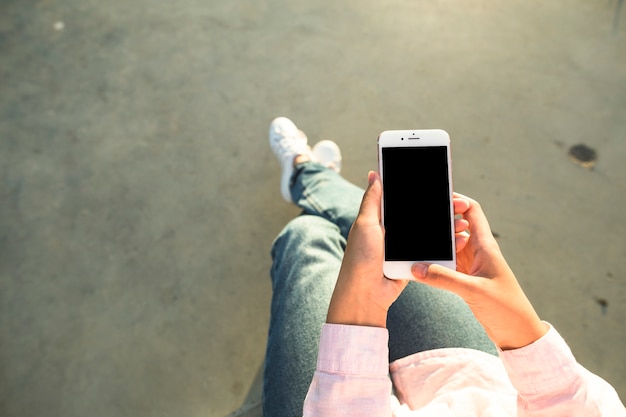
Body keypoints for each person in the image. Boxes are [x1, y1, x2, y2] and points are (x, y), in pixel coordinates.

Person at [262, 117, 626, 417]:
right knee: (374, 228)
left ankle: (306, 174)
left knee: (310, 233)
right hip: (475, 390)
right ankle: (309, 177)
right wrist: (521, 330)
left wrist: (359, 309)